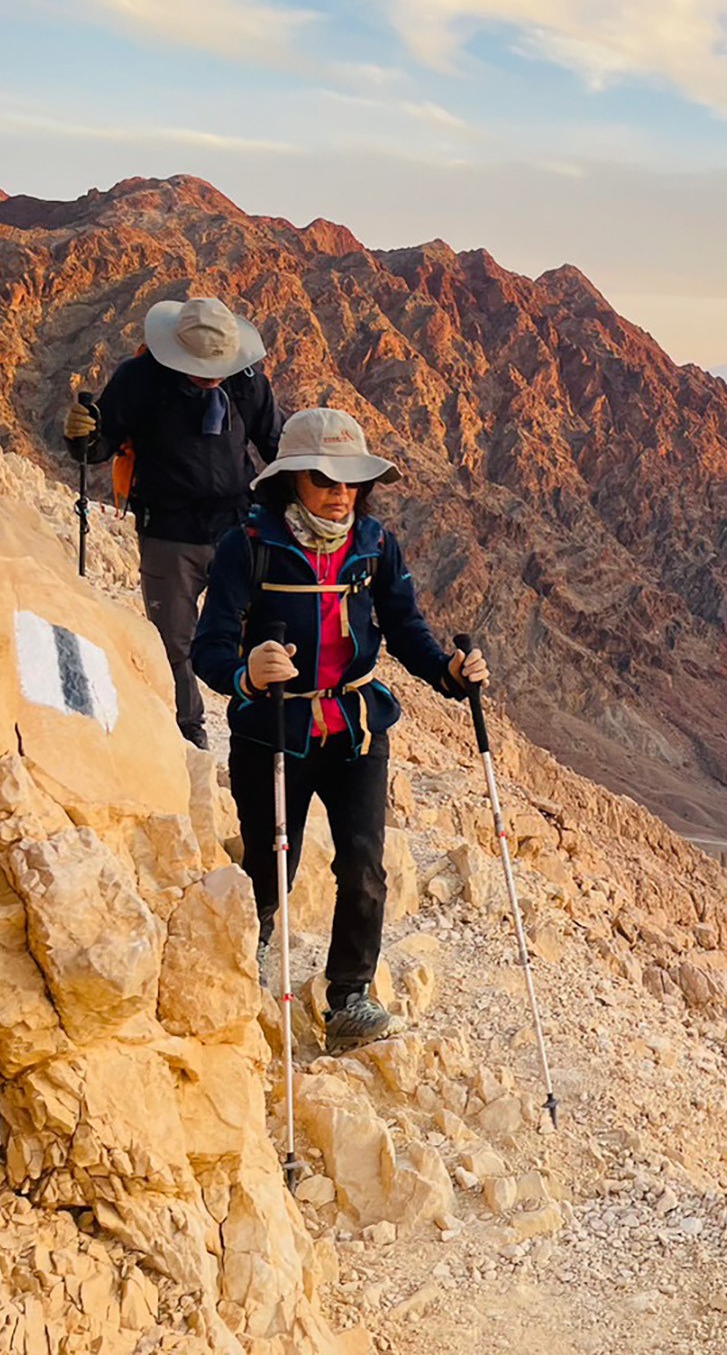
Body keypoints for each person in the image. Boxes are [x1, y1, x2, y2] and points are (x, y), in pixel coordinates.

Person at [191, 407, 487, 1052]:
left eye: (350, 478)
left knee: (364, 866)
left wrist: (449, 673)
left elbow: (405, 626)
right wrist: (248, 672)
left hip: (355, 727)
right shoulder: (250, 545)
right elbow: (209, 648)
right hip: (273, 729)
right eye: (323, 476)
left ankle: (348, 995)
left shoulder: (374, 544)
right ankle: (253, 955)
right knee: (274, 860)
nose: (339, 491)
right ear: (291, 479)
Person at [64, 296, 284, 748]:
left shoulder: (245, 382)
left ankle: (256, 724)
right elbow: (101, 444)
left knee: (256, 633)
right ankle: (188, 733)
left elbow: (276, 443)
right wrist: (82, 436)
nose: (210, 373)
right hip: (168, 528)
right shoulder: (140, 380)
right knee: (173, 641)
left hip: (238, 527)